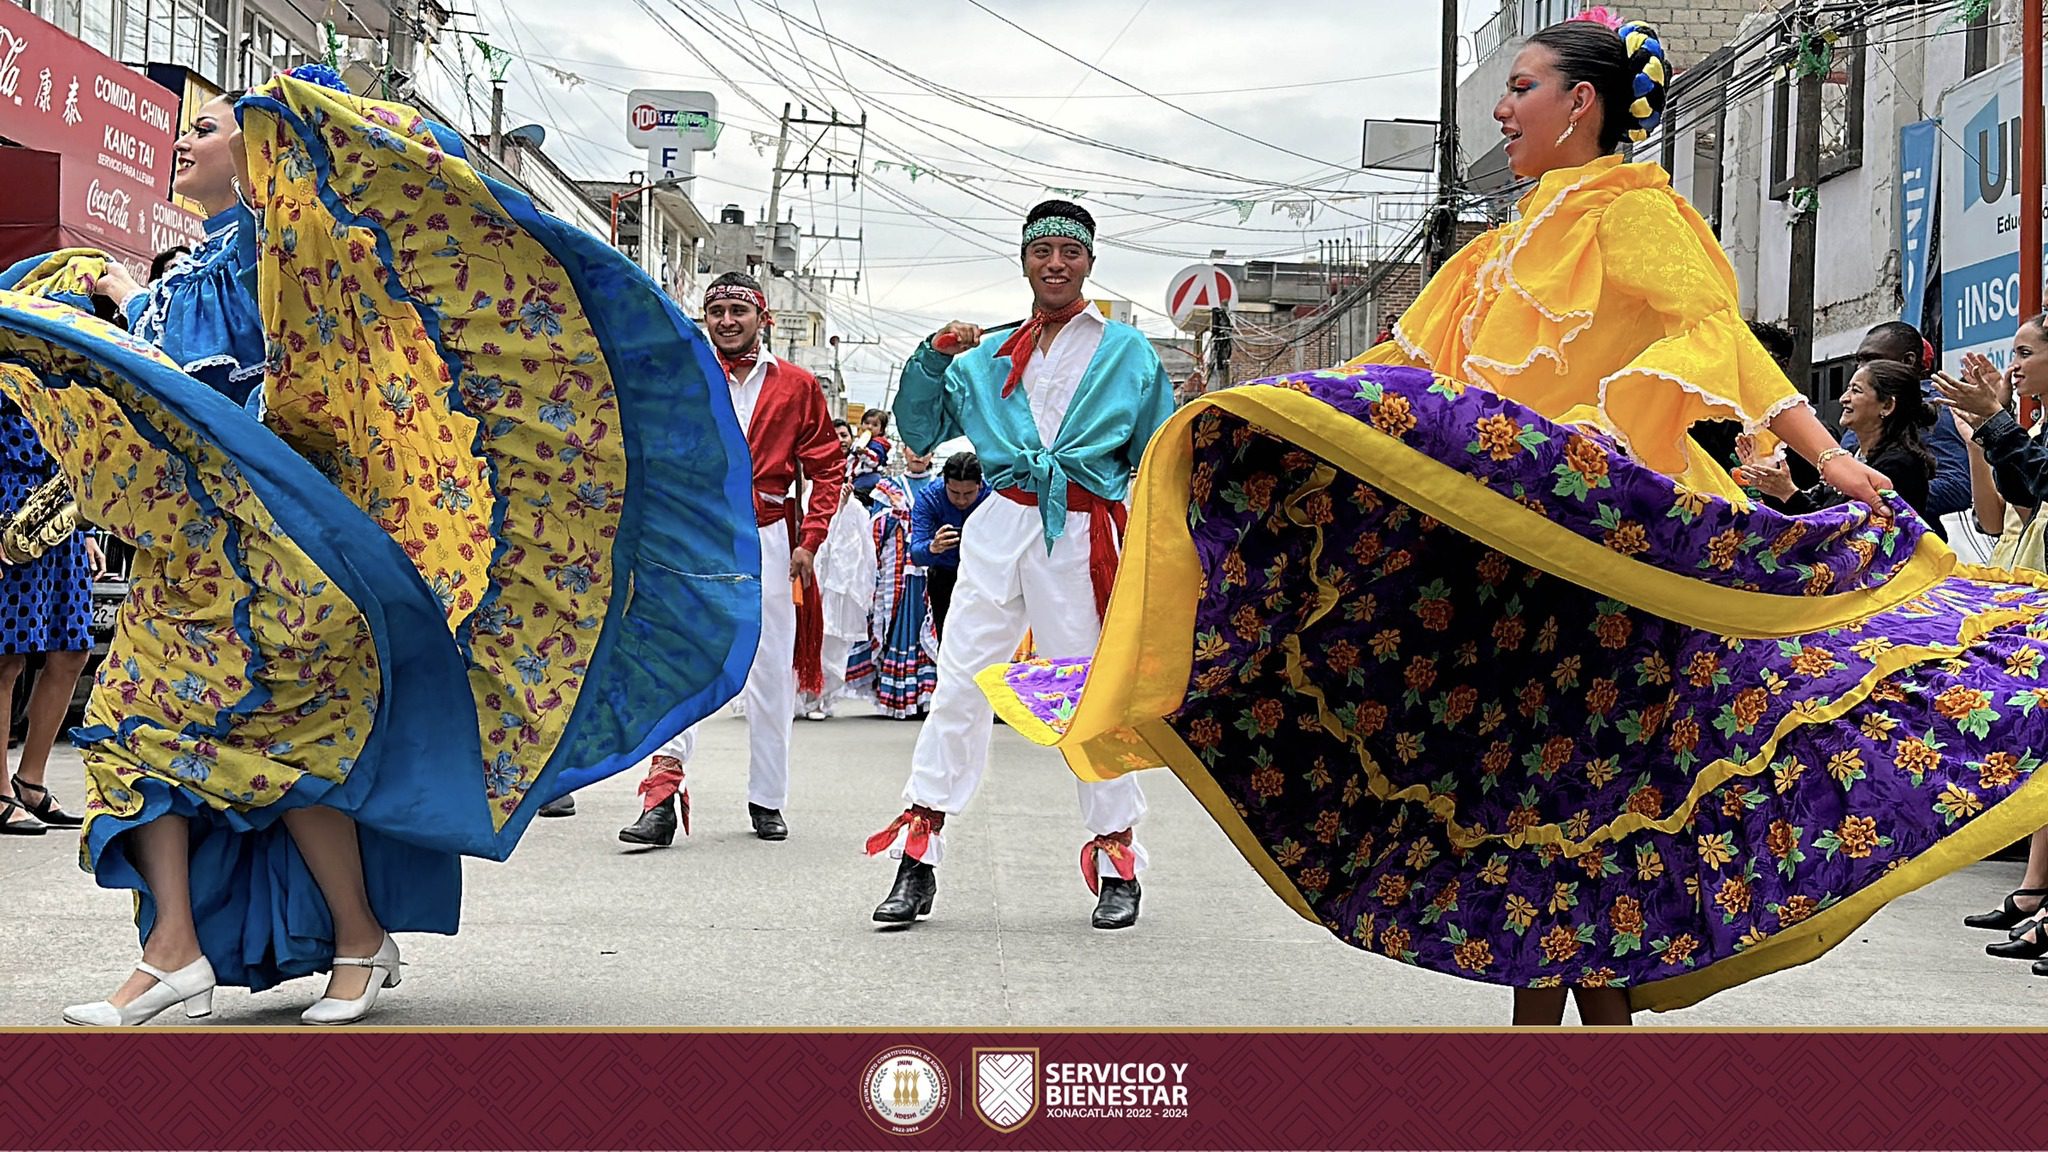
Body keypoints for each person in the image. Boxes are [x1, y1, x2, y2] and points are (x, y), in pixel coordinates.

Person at [975, 14, 2048, 1028]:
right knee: (1540, 830)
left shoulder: (1627, 212)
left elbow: (1715, 337)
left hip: (1611, 564)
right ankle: (1553, 1067)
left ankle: (1566, 1069)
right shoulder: (1492, 251)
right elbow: (1399, 369)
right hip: (1508, 575)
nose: (1500, 109)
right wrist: (1269, 414)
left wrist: (1824, 461)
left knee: (1585, 821)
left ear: (1577, 104)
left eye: (1518, 88)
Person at [0, 68, 757, 1025]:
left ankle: (352, 934)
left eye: (205, 127)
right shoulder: (191, 272)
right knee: (134, 731)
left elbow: (230, 392)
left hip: (279, 560)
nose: (182, 143)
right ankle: (177, 950)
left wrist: (125, 308)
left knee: (286, 749)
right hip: (187, 561)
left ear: (259, 147)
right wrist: (102, 298)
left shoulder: (292, 260)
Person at [864, 199, 1176, 931]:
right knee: (959, 685)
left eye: (1070, 252)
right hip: (999, 521)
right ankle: (918, 855)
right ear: (1025, 260)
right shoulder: (985, 355)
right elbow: (919, 429)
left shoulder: (1129, 351)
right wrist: (934, 354)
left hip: (1081, 526)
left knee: (1085, 693)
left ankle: (1116, 858)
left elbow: (1159, 454)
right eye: (1044, 253)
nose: (1057, 265)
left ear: (1090, 262)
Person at [619, 272, 844, 849]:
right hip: (693, 539)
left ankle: (768, 798)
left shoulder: (797, 387)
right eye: (715, 311)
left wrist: (809, 540)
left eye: (736, 311)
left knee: (770, 670)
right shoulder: (685, 377)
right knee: (680, 662)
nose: (725, 321)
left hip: (770, 539)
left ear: (762, 319)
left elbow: (827, 469)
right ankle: (661, 796)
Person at [1934, 315, 2048, 965]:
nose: (2014, 365)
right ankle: (2035, 891)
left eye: (2026, 352)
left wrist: (1994, 426)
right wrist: (1986, 432)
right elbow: (2007, 503)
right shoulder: (2034, 426)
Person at [75, 92, 266, 407]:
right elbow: (169, 342)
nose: (180, 143)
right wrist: (122, 290)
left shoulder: (262, 242)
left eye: (203, 130)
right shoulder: (206, 261)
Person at [0, 392, 106, 836]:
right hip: (6, 503)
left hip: (55, 511)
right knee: (6, 659)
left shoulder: (45, 339)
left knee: (72, 651)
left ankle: (31, 781)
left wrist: (80, 529)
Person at [1736, 360, 1943, 536]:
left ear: (1887, 406)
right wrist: (1772, 484)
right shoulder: (1856, 456)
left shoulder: (1899, 466)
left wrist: (1787, 492)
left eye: (1856, 391)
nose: (1844, 398)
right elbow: (1806, 517)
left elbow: (1840, 537)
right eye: (1848, 389)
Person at [1848, 321, 1971, 525]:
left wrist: (1883, 496)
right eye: (1859, 361)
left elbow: (1956, 487)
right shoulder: (1860, 406)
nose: (1862, 369)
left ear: (1908, 360)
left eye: (1871, 359)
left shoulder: (1936, 409)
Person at [866, 472, 938, 719]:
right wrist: (895, 518)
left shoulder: (940, 485)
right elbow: (875, 526)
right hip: (899, 569)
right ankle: (902, 696)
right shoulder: (890, 487)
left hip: (932, 565)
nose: (918, 455)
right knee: (900, 624)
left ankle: (928, 695)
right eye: (913, 448)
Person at [909, 451, 989, 643]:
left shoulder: (993, 496)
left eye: (968, 494)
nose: (961, 500)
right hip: (943, 577)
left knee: (984, 640)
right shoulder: (928, 498)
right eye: (954, 493)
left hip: (984, 576)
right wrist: (933, 547)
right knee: (947, 639)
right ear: (944, 482)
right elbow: (916, 554)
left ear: (980, 484)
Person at [850, 408, 893, 507]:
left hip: (868, 478)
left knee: (856, 500)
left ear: (881, 430)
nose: (869, 427)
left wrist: (865, 452)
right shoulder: (860, 440)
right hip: (857, 477)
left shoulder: (877, 444)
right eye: (866, 423)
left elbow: (875, 461)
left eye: (874, 425)